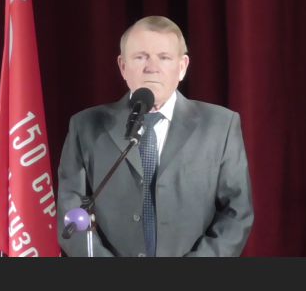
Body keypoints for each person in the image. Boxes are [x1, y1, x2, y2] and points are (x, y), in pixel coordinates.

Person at [56, 15, 254, 256]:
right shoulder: (86, 126)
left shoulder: (220, 125)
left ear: (182, 67)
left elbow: (236, 213)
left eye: (164, 57)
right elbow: (71, 211)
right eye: (140, 57)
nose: (151, 67)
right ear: (122, 66)